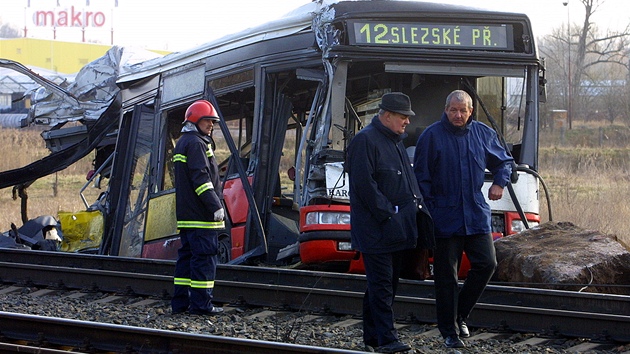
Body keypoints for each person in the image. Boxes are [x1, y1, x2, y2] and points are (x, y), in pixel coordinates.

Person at [413, 90, 513, 348]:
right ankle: (449, 331)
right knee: (446, 276)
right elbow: (421, 178)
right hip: (444, 216)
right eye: (453, 110)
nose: (458, 115)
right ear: (446, 110)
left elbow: (504, 162)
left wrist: (499, 183)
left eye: (463, 111)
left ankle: (461, 314)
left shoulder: (482, 134)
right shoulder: (431, 136)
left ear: (470, 112)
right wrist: (430, 210)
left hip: (475, 212)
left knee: (487, 264)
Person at [346, 92, 432, 353]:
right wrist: (389, 213)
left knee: (383, 286)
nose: (407, 121)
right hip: (377, 230)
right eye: (403, 116)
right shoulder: (365, 141)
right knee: (382, 286)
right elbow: (364, 186)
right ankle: (387, 339)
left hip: (395, 229)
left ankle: (372, 337)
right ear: (386, 115)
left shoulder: (394, 142)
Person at [171, 99, 225, 316]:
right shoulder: (196, 144)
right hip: (201, 217)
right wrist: (215, 205)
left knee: (186, 260)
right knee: (204, 260)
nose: (211, 125)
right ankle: (202, 306)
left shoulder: (184, 142)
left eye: (212, 122)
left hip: (187, 217)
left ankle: (180, 304)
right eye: (207, 121)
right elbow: (201, 178)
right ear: (195, 120)